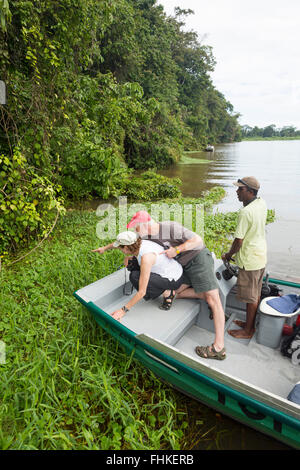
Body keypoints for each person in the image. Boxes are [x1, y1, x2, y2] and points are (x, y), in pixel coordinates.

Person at [126, 211, 226, 360]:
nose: (136, 232)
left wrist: (177, 250)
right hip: (182, 267)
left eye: (136, 228)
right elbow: (135, 246)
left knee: (213, 299)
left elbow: (197, 240)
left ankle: (218, 348)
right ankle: (202, 292)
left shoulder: (170, 227)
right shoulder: (146, 235)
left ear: (145, 225)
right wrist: (128, 255)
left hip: (198, 258)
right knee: (172, 292)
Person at [93, 231, 184, 321]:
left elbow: (141, 292)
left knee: (135, 277)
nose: (120, 250)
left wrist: (123, 310)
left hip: (174, 279)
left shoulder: (146, 258)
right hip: (170, 268)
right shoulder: (139, 243)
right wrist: (104, 248)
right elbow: (117, 244)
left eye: (120, 248)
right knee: (131, 263)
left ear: (125, 248)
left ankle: (168, 292)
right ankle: (160, 287)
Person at [222, 176, 267, 339]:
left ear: (250, 191)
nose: (237, 192)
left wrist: (228, 255)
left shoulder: (245, 212)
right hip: (261, 255)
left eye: (240, 189)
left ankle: (248, 331)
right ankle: (249, 324)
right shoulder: (261, 203)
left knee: (251, 297)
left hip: (250, 261)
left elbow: (238, 241)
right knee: (255, 294)